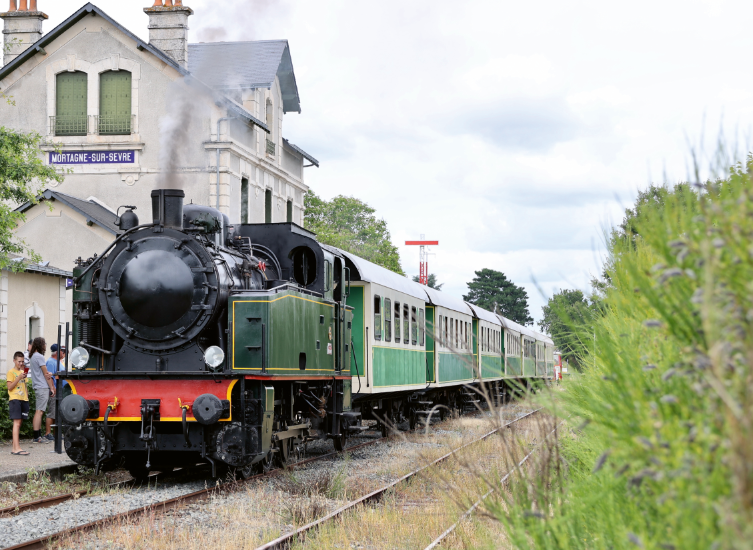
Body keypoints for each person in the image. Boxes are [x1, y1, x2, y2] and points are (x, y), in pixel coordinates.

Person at [28, 337, 54, 444]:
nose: (45, 346)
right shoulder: (39, 356)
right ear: (41, 345)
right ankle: (37, 437)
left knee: (39, 411)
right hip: (42, 386)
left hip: (37, 386)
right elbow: (46, 374)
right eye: (44, 344)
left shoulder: (33, 356)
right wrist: (51, 387)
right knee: (39, 411)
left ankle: (37, 436)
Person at [6, 351, 30, 455]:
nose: (21, 363)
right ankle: (17, 448)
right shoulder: (11, 372)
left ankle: (15, 448)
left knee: (19, 423)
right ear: (14, 361)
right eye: (19, 361)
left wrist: (27, 397)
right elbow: (10, 387)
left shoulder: (22, 372)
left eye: (22, 361)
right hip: (15, 399)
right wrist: (18, 378)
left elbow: (25, 386)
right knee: (16, 423)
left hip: (23, 399)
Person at [44, 344, 68, 440]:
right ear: (58, 352)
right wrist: (53, 389)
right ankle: (48, 433)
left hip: (61, 391)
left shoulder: (58, 362)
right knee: (52, 412)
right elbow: (50, 378)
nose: (64, 353)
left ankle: (55, 434)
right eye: (62, 351)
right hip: (55, 391)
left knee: (57, 413)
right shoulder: (50, 362)